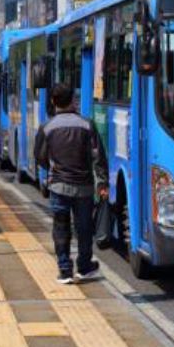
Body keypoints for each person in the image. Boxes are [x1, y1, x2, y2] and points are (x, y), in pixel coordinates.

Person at [34, 83, 109, 284]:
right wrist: (102, 184)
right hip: (83, 187)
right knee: (84, 228)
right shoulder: (87, 125)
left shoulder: (47, 127)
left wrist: (52, 169)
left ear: (52, 102)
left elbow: (39, 157)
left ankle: (65, 270)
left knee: (61, 227)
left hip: (58, 186)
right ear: (73, 100)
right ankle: (84, 267)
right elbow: (98, 157)